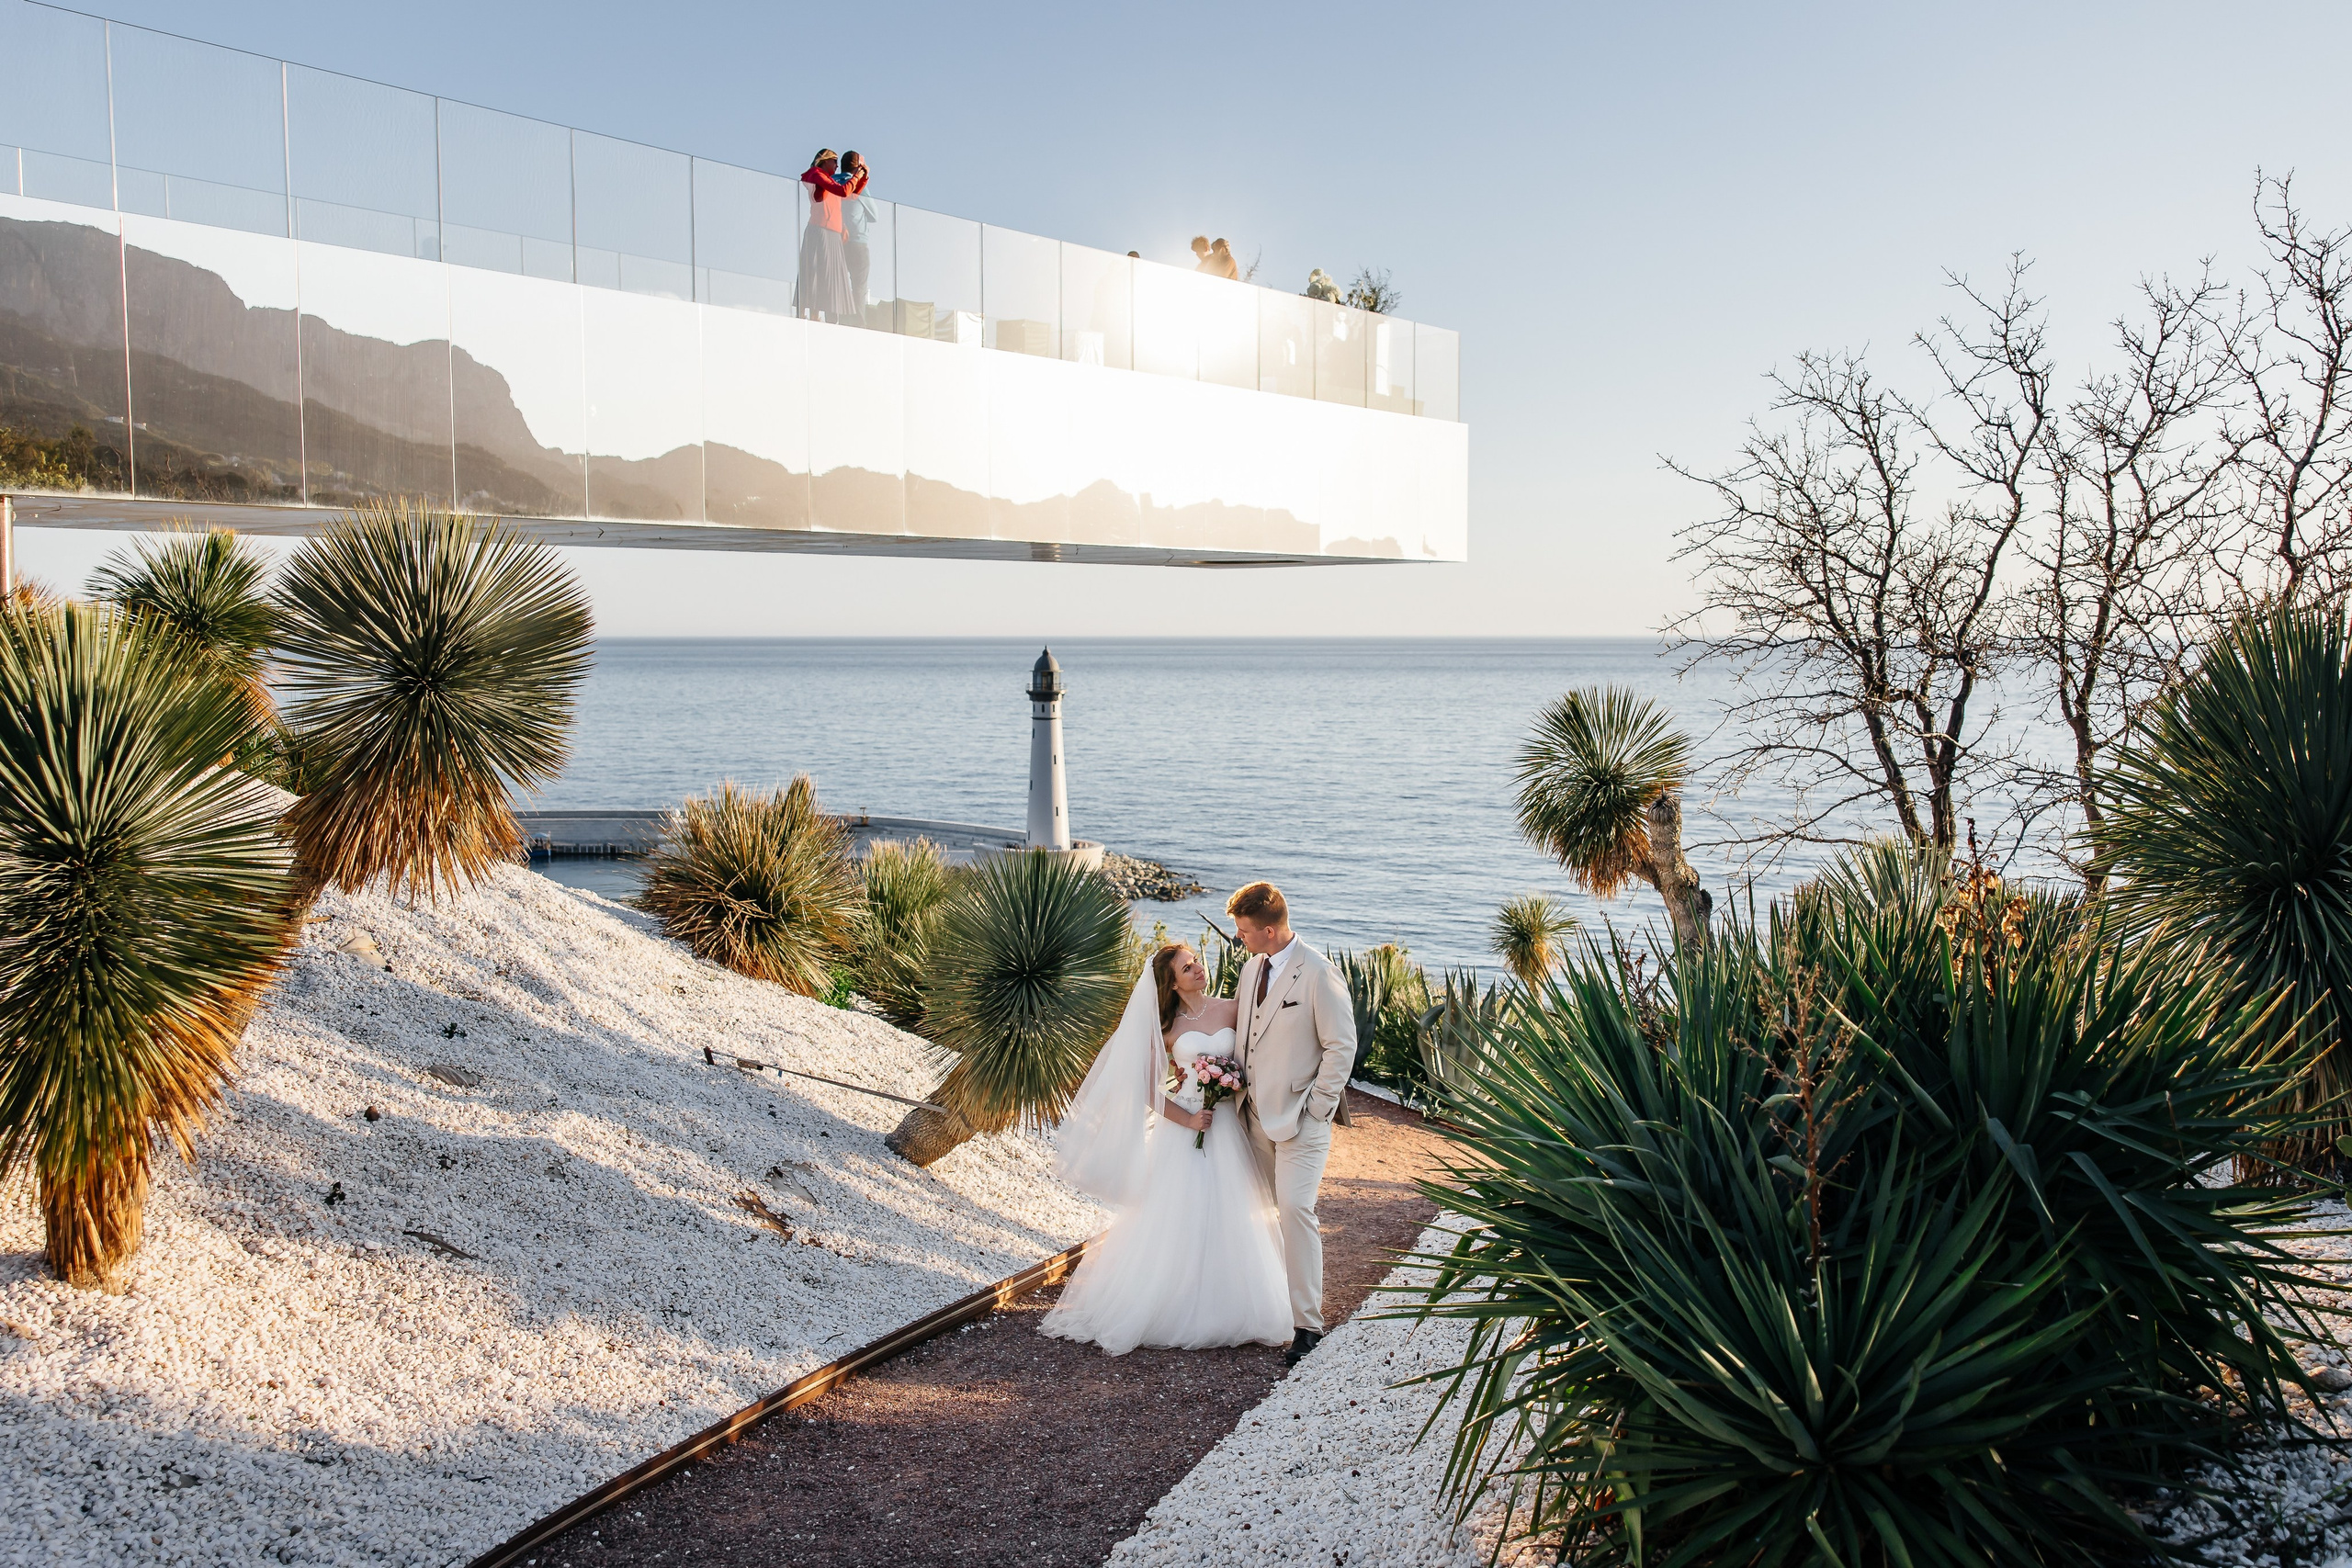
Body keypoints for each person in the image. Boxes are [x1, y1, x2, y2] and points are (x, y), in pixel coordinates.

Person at [1040, 943, 1290, 1356]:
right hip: (1189, 1125)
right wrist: (1189, 1119)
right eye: (1187, 968)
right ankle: (1172, 1306)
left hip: (1230, 1124)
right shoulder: (1167, 1027)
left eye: (1197, 962)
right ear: (1171, 982)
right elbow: (1143, 1087)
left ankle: (1237, 1302)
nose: (1198, 970)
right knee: (1180, 1213)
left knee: (1234, 1209)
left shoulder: (1231, 1009)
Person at [1227, 882, 1354, 1367]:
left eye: (1244, 932)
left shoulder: (1319, 974)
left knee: (1296, 1211)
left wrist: (1317, 1108)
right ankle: (1257, 1308)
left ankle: (1308, 1325)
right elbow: (1246, 1034)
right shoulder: (1249, 968)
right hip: (1251, 1114)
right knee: (1250, 1212)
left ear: (1270, 929)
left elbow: (1341, 1046)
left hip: (1301, 1119)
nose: (1239, 939)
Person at [794, 149, 856, 321]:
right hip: (819, 230)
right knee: (813, 272)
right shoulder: (816, 174)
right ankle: (807, 315)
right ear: (825, 161)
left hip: (833, 233)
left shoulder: (830, 181)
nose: (837, 166)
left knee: (829, 277)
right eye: (834, 161)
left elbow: (851, 195)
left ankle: (820, 316)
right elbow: (843, 191)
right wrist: (856, 177)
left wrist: (862, 175)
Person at [839, 152, 876, 325]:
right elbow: (875, 215)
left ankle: (842, 321)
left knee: (841, 285)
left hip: (837, 242)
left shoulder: (834, 181)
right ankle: (858, 325)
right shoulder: (858, 185)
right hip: (858, 242)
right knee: (859, 287)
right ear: (858, 167)